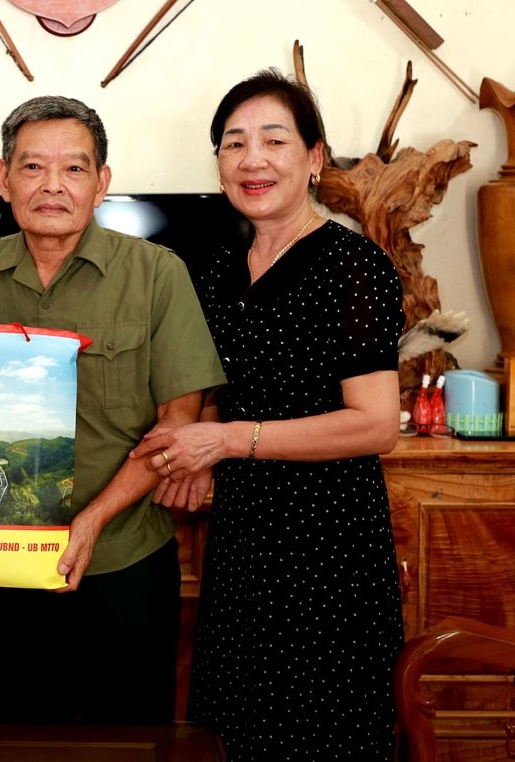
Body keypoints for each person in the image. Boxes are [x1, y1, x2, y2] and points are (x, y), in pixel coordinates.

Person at [132, 69, 405, 760]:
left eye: (273, 140)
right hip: (246, 536)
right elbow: (219, 381)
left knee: (323, 732)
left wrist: (226, 438)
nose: (252, 159)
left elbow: (375, 422)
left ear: (315, 159)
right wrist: (197, 449)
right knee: (236, 732)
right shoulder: (222, 265)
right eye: (234, 143)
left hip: (329, 543)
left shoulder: (354, 265)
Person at [0, 95, 226, 724]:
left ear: (102, 183)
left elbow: (178, 422)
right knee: (14, 738)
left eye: (74, 169)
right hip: (1, 569)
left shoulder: (156, 274)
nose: (52, 186)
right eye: (33, 167)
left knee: (127, 744)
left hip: (122, 563)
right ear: (4, 178)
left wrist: (90, 521)